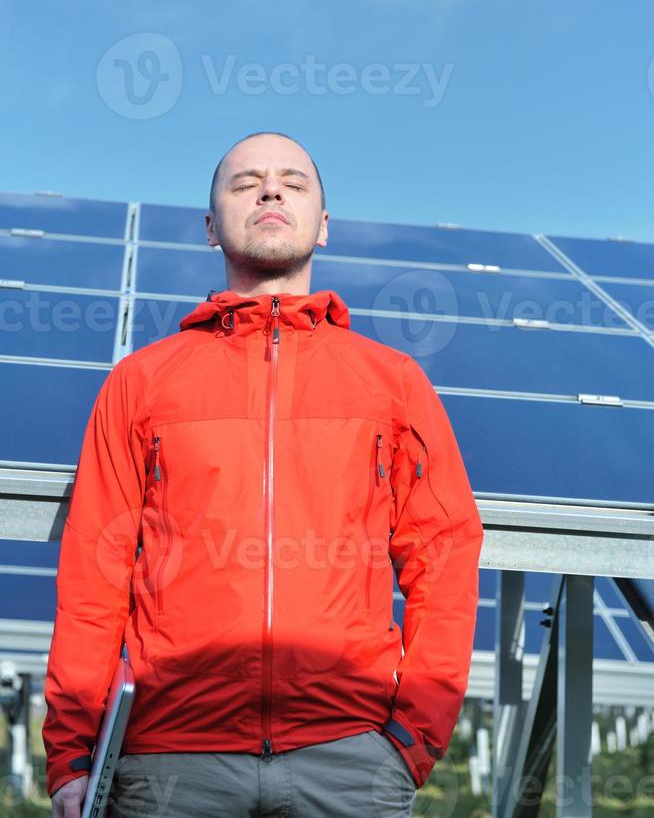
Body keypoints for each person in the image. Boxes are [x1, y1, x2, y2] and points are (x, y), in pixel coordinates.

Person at [43, 131, 484, 817]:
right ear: (211, 226)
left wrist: (410, 739)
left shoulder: (394, 384)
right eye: (246, 182)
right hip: (169, 764)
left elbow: (445, 556)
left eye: (293, 182)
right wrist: (73, 753)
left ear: (324, 226)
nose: (271, 190)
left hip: (349, 761)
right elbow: (93, 576)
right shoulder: (141, 383)